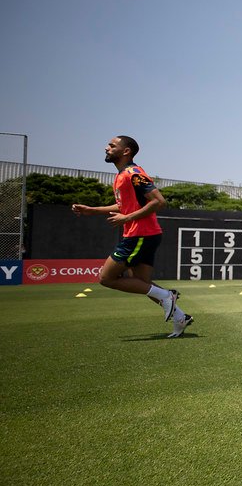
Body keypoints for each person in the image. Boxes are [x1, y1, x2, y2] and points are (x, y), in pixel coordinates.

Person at [71, 136, 193, 338]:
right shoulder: (121, 176)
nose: (106, 148)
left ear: (126, 151)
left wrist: (127, 217)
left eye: (112, 146)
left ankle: (167, 296)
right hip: (145, 234)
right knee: (142, 283)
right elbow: (124, 205)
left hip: (140, 235)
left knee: (106, 278)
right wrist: (92, 210)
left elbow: (158, 201)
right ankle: (181, 317)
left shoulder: (134, 174)